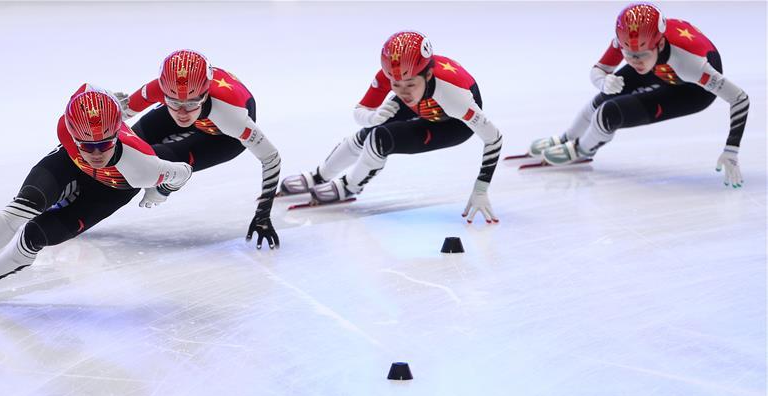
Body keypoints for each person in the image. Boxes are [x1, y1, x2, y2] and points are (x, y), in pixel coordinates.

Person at [0, 85, 193, 307]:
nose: (97, 152)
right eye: (88, 145)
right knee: (24, 205)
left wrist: (159, 191)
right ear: (73, 134)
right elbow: (88, 90)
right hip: (69, 164)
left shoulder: (143, 166)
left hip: (111, 190)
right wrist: (114, 106)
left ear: (117, 134)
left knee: (37, 235)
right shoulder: (66, 127)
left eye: (105, 143)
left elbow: (183, 172)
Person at [278, 31, 504, 224]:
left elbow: (493, 137)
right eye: (395, 84)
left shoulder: (454, 94)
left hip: (451, 124)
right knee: (365, 135)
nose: (402, 91)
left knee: (380, 139)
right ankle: (320, 175)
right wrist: (373, 117)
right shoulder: (396, 73)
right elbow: (360, 111)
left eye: (409, 84)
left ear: (428, 73)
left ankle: (349, 186)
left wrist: (481, 188)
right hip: (422, 103)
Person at [530, 2, 749, 188]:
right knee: (602, 98)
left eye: (640, 54)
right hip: (659, 68)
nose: (634, 60)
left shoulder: (690, 64)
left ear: (660, 43)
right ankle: (567, 137)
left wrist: (731, 149)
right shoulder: (629, 40)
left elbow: (739, 98)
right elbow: (598, 70)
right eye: (628, 54)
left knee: (609, 113)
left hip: (692, 91)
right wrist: (604, 82)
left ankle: (582, 150)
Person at [117, 49, 282, 249]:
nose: (182, 113)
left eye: (191, 103)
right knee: (128, 144)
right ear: (164, 92)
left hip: (224, 138)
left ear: (204, 95)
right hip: (201, 111)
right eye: (174, 102)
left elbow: (271, 157)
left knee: (153, 160)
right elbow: (115, 119)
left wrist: (263, 214)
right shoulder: (160, 89)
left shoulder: (231, 115)